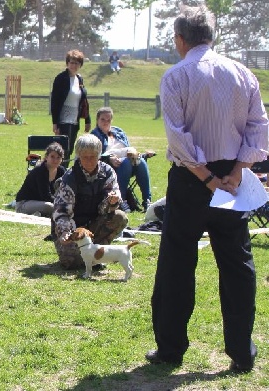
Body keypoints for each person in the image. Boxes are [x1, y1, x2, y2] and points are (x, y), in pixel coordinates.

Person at [146, 5, 268, 373]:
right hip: (233, 177)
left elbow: (178, 138)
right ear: (212, 36)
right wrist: (237, 171)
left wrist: (208, 179)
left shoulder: (176, 76)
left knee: (177, 264)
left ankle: (170, 350)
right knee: (237, 264)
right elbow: (259, 127)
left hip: (190, 179)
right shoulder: (243, 73)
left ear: (179, 39)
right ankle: (242, 352)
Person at [51, 134, 128, 269]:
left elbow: (108, 208)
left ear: (99, 155)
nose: (89, 161)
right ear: (78, 156)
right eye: (84, 157)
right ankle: (92, 257)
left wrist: (112, 201)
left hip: (94, 224)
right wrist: (64, 232)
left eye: (93, 156)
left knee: (120, 217)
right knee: (72, 264)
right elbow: (62, 212)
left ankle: (99, 251)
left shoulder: (108, 172)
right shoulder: (69, 179)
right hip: (72, 228)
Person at [91, 107, 153, 211]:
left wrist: (142, 154)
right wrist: (109, 159)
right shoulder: (94, 136)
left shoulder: (118, 132)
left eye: (108, 120)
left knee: (141, 161)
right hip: (108, 166)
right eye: (103, 119)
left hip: (127, 160)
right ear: (97, 120)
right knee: (126, 163)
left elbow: (128, 150)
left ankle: (147, 201)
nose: (106, 122)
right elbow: (95, 156)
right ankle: (121, 200)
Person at [50, 49, 91, 167]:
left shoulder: (79, 79)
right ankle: (59, 177)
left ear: (80, 65)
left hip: (75, 120)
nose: (74, 65)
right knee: (63, 151)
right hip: (63, 120)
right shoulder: (61, 78)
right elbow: (55, 101)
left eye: (77, 63)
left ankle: (64, 177)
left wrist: (87, 119)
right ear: (67, 63)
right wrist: (55, 123)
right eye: (71, 62)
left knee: (70, 151)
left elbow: (83, 101)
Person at [15, 142, 66, 218]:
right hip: (24, 204)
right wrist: (62, 204)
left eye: (58, 157)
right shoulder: (40, 170)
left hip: (43, 202)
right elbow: (45, 196)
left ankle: (43, 214)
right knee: (49, 206)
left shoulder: (61, 171)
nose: (55, 160)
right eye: (52, 157)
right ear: (46, 157)